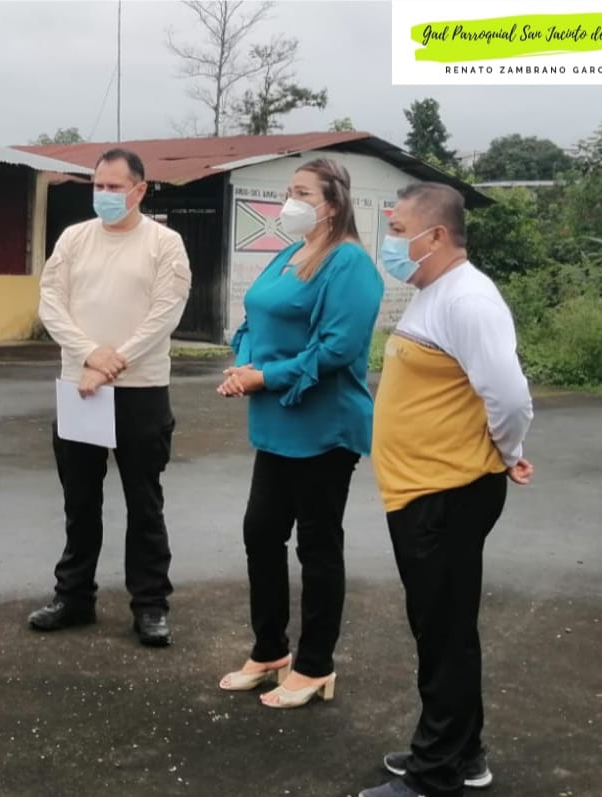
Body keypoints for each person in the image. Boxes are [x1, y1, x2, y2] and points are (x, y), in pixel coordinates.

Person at [358, 183, 534, 797]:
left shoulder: (468, 299)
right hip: (423, 491)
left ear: (435, 235)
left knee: (444, 634)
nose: (390, 241)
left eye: (398, 229)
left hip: (447, 493)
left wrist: (507, 454)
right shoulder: (434, 294)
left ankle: (434, 775)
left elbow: (509, 397)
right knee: (443, 628)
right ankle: (462, 752)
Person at [216, 158, 384, 709]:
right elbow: (253, 321)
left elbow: (336, 349)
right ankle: (270, 651)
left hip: (324, 425)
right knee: (261, 533)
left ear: (332, 204)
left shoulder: (350, 263)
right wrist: (245, 364)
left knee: (317, 544)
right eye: (289, 191)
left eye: (303, 193)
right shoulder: (288, 254)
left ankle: (315, 665)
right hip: (275, 421)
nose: (291, 201)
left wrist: (265, 377)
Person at [28, 148, 192, 647]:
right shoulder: (74, 239)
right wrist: (89, 355)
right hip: (80, 388)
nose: (104, 194)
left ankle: (150, 605)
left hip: (140, 390)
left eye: (115, 187)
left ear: (139, 190)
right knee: (80, 501)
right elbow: (51, 303)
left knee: (145, 504)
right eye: (98, 186)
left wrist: (112, 361)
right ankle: (74, 596)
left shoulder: (165, 243)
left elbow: (165, 313)